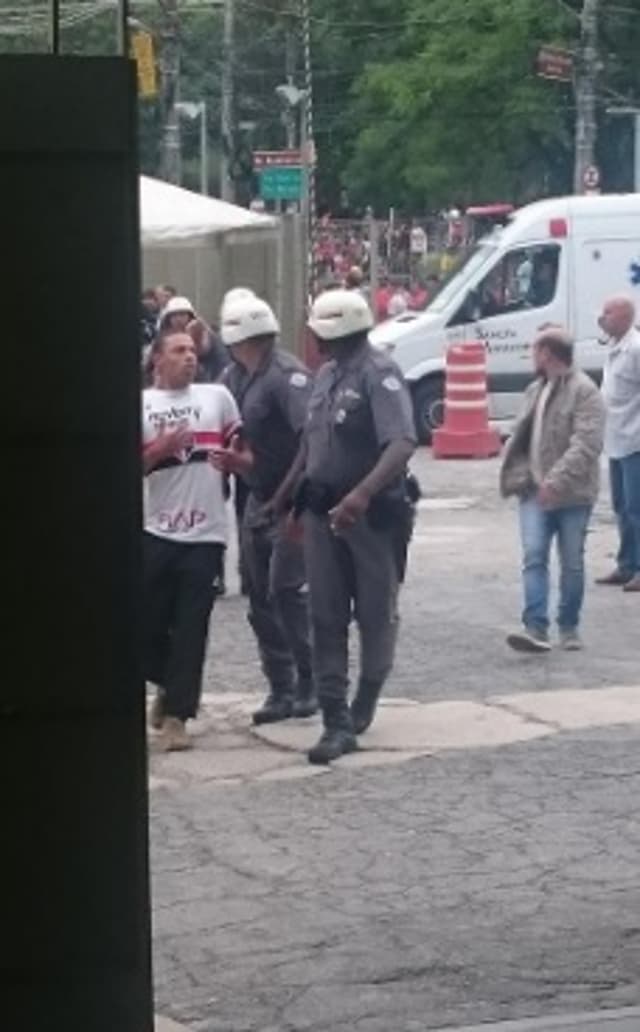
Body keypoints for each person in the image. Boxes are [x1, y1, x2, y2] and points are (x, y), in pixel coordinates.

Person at [289, 289, 417, 764]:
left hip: (370, 517)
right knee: (324, 614)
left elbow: (402, 442)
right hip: (323, 515)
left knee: (375, 612)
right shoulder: (325, 376)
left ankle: (366, 694)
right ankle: (335, 720)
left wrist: (361, 494)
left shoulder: (377, 373)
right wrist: (290, 500)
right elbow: (312, 446)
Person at [213, 295, 317, 724]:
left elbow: (310, 441)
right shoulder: (234, 377)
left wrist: (287, 497)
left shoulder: (285, 377)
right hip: (256, 498)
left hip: (288, 501)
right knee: (259, 598)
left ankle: (310, 680)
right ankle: (280, 686)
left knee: (286, 592)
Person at [142, 330, 241, 750]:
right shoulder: (140, 406)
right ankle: (168, 683)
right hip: (155, 531)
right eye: (178, 351)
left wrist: (240, 462)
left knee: (190, 628)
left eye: (191, 351)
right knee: (143, 626)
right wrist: (158, 450)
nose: (189, 357)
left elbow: (246, 453)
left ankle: (178, 717)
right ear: (157, 360)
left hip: (206, 534)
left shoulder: (217, 398)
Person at [500, 326, 606, 653]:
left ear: (547, 354)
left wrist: (556, 481)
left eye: (535, 350)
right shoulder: (535, 389)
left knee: (572, 561)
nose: (532, 356)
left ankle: (569, 626)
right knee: (534, 556)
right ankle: (535, 627)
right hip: (533, 491)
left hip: (572, 494)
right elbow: (523, 431)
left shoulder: (585, 391)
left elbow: (587, 444)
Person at [596, 296, 640, 592]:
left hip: (635, 439)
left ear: (624, 317)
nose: (602, 318)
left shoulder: (636, 349)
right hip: (615, 439)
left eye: (608, 313)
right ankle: (626, 565)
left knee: (637, 508)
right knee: (621, 507)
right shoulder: (613, 345)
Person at [158, 296, 229, 384]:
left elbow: (209, 354)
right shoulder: (163, 338)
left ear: (190, 316)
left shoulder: (204, 333)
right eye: (174, 315)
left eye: (182, 314)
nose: (178, 319)